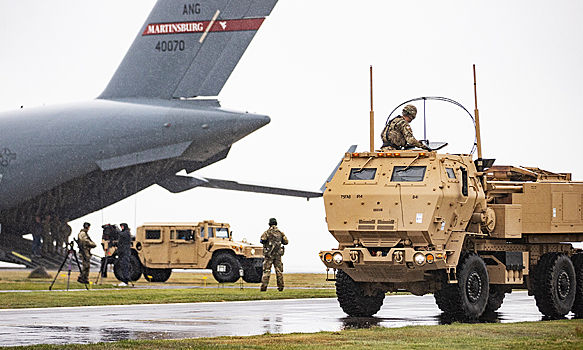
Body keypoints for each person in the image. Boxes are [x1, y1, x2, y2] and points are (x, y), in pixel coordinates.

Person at [259, 218, 288, 291]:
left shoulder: (267, 233)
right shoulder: (280, 233)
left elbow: (262, 240)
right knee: (279, 271)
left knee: (266, 271)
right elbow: (286, 242)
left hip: (269, 255)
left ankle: (263, 287)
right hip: (278, 255)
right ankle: (281, 287)